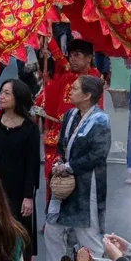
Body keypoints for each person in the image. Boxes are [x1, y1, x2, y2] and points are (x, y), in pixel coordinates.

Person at [42, 75, 111, 261]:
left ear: (88, 95)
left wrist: (69, 166)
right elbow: (62, 145)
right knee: (53, 229)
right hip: (65, 181)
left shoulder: (101, 120)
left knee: (88, 233)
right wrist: (60, 161)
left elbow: (98, 155)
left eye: (75, 89)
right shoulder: (70, 115)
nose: (70, 92)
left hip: (88, 182)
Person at [0, 78, 42, 260]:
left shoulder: (30, 128)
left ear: (18, 98)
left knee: (18, 232)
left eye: (7, 93)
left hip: (19, 189)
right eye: (1, 92)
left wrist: (28, 196)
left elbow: (32, 164)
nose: (1, 96)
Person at [42, 40, 99, 168]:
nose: (72, 59)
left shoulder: (94, 82)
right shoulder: (65, 78)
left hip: (80, 138)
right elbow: (53, 104)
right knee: (54, 181)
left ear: (89, 58)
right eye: (71, 55)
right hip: (58, 137)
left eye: (77, 55)